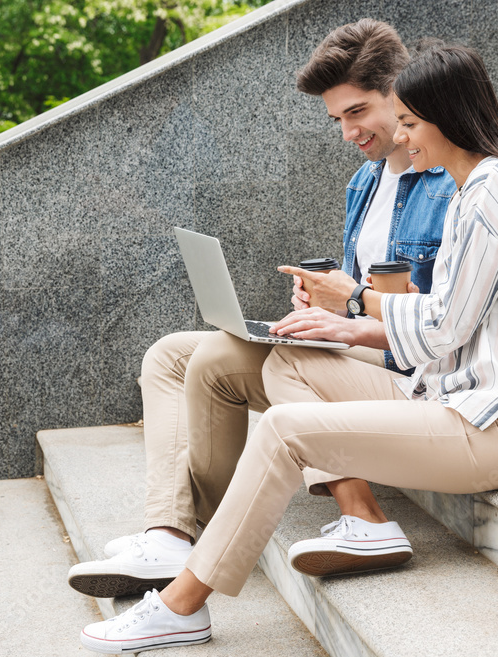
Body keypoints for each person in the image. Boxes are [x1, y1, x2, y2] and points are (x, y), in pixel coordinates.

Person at [78, 43, 498, 655]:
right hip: (458, 396)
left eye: (411, 123)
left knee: (284, 427)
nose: (405, 141)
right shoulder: (475, 185)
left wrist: (355, 304)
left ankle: (181, 605)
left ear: (445, 116)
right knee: (276, 372)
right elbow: (446, 322)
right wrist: (335, 315)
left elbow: (443, 329)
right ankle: (184, 565)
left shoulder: (489, 188)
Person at [66, 19, 456, 600]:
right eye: (337, 119)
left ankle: (355, 513)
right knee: (170, 355)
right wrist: (319, 302)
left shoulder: (449, 182)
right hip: (358, 345)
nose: (348, 131)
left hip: (408, 366)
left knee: (230, 359)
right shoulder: (364, 184)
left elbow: (440, 316)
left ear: (400, 92)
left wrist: (347, 308)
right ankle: (171, 530)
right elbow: (357, 291)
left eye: (357, 112)